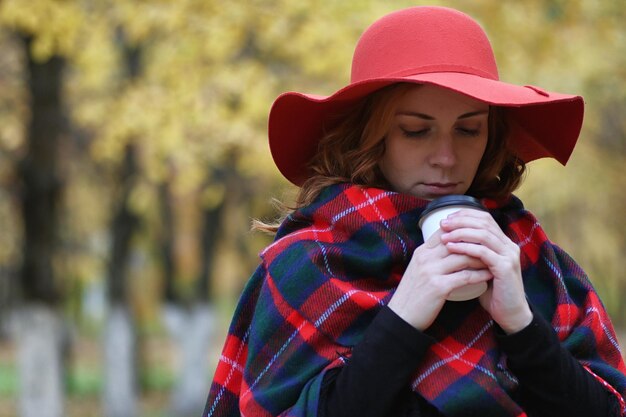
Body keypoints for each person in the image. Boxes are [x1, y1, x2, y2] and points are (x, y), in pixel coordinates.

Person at [203, 6, 626, 417]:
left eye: (468, 128)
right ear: (370, 136)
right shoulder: (309, 263)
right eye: (416, 130)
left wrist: (521, 324)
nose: (445, 156)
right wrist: (402, 319)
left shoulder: (532, 260)